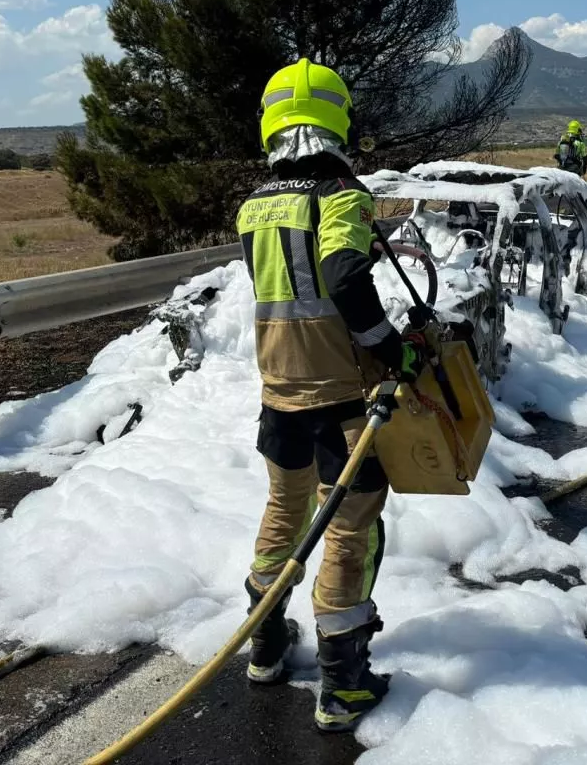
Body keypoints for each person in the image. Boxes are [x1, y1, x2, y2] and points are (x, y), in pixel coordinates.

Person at [235, 58, 427, 733]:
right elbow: (343, 277)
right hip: (342, 405)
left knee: (282, 520)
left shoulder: (256, 204)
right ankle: (343, 688)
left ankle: (265, 648)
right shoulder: (342, 197)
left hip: (277, 399)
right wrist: (390, 348)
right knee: (348, 530)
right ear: (336, 118)